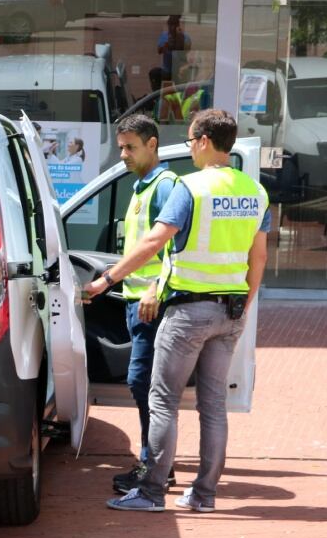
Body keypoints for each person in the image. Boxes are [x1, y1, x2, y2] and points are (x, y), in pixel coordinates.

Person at [85, 109, 270, 512]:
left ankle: (152, 493)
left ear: (204, 140)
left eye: (189, 141)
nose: (189, 148)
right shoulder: (255, 191)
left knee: (163, 400)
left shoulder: (191, 188)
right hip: (232, 310)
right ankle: (204, 495)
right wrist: (245, 304)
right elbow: (259, 256)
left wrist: (105, 280)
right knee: (214, 406)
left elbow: (153, 243)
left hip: (188, 309)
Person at [107, 114, 178, 495]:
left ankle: (155, 466)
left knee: (144, 383)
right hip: (135, 302)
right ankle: (155, 462)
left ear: (153, 144)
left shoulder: (165, 187)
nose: (124, 154)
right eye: (121, 147)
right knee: (144, 384)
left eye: (131, 147)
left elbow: (172, 248)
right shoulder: (140, 187)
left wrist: (154, 287)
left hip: (153, 305)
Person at [150, 14, 191, 92]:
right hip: (167, 70)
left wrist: (180, 39)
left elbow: (187, 49)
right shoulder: (164, 36)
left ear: (178, 25)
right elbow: (159, 50)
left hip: (180, 70)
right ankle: (156, 96)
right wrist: (167, 45)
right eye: (170, 25)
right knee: (154, 73)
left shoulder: (185, 37)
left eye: (174, 25)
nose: (172, 28)